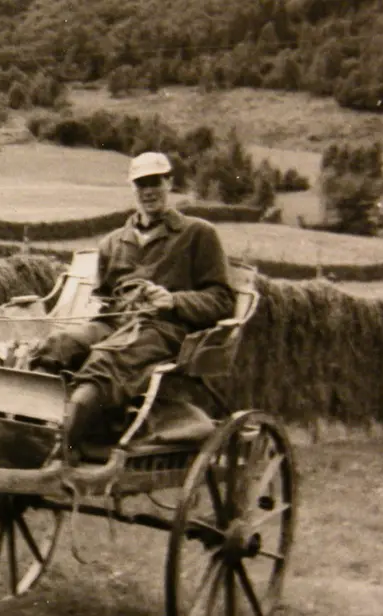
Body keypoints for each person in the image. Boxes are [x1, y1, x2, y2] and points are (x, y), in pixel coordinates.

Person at [29, 151, 234, 465]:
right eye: (140, 184)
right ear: (132, 188)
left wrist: (173, 300)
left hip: (163, 330)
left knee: (104, 361)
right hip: (114, 324)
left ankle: (65, 454)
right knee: (56, 346)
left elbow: (222, 300)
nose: (148, 191)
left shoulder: (198, 234)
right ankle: (28, 437)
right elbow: (104, 298)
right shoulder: (113, 241)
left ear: (170, 183)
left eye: (155, 182)